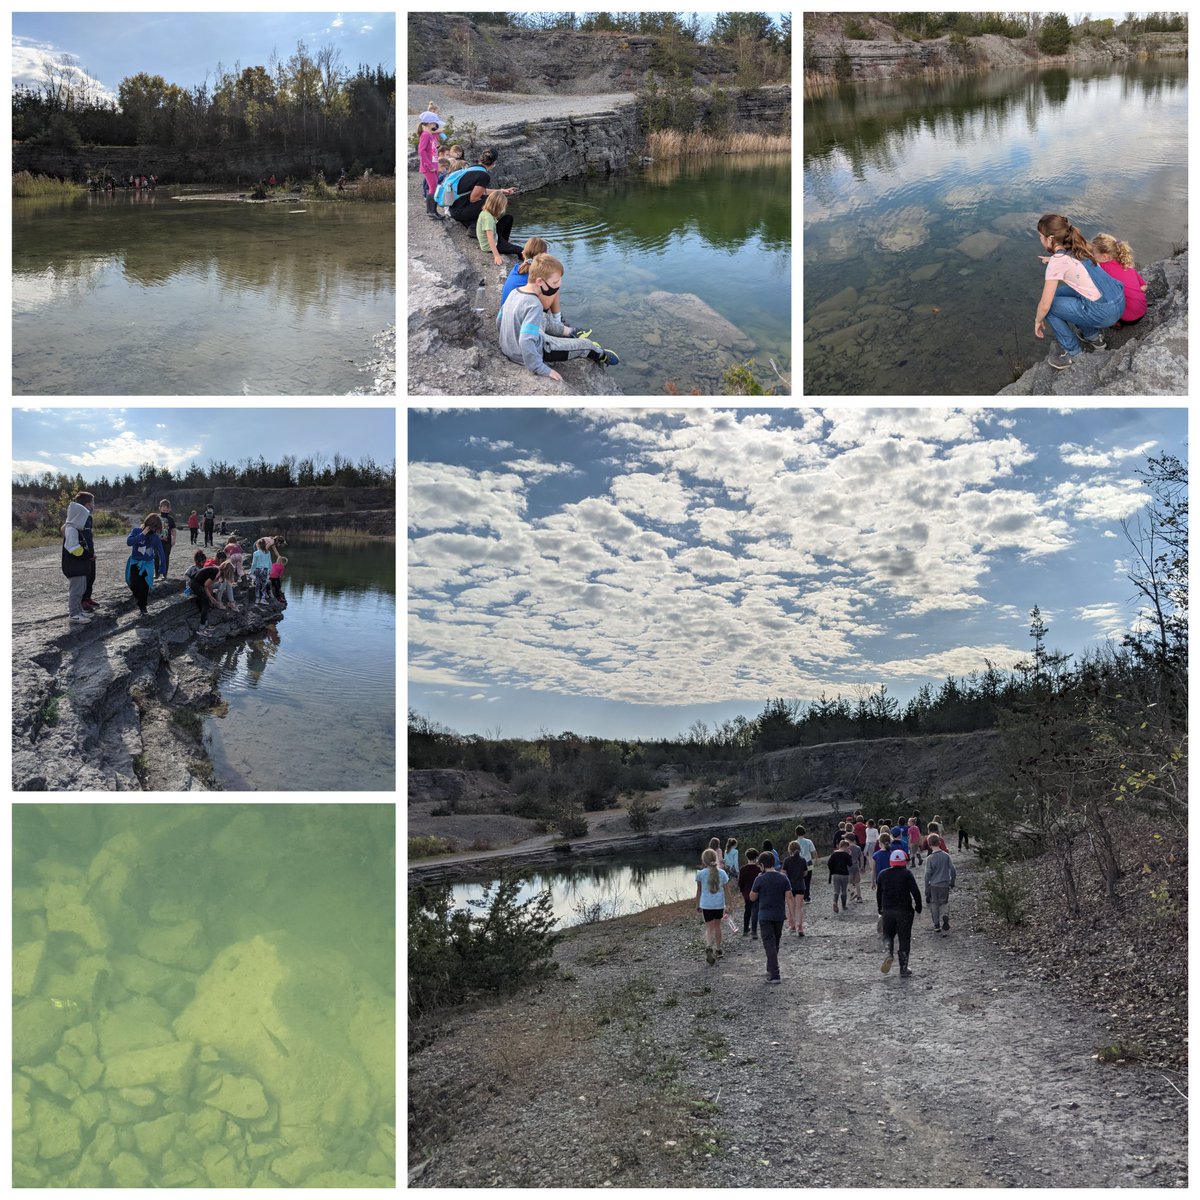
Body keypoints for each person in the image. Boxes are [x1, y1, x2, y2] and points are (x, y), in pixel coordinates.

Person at [497, 253, 619, 380]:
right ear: (539, 282)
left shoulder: (514, 292)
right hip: (536, 351)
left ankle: (571, 332)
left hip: (508, 349)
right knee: (586, 344)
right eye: (555, 282)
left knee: (543, 318)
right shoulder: (534, 305)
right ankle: (601, 354)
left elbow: (499, 320)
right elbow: (525, 340)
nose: (558, 285)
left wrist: (508, 342)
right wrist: (539, 367)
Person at [1033, 213, 1126, 370]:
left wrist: (1038, 320)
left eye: (1041, 237)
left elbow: (1044, 305)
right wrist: (1053, 260)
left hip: (1104, 313)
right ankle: (1094, 338)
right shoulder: (1079, 247)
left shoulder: (1058, 263)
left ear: (1050, 239)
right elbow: (1072, 264)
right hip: (1118, 302)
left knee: (1048, 309)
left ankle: (1073, 353)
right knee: (1061, 293)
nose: (1040, 240)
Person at [444, 148, 515, 232]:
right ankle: (474, 228)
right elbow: (473, 198)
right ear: (494, 162)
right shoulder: (483, 175)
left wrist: (501, 191)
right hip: (459, 211)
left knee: (486, 200)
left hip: (454, 207)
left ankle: (472, 223)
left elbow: (480, 191)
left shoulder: (472, 168)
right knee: (495, 201)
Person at [877, 848, 922, 978]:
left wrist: (880, 909)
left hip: (888, 911)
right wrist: (918, 906)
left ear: (891, 862)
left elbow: (879, 894)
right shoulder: (907, 874)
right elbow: (915, 891)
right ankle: (903, 968)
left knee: (887, 935)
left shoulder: (882, 874)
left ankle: (888, 954)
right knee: (904, 938)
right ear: (904, 862)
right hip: (904, 911)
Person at [749, 850, 791, 984]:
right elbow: (789, 896)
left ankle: (775, 974)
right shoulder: (783, 877)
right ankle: (770, 967)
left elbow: (752, 897)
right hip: (779, 914)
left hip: (765, 915)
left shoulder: (759, 879)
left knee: (768, 943)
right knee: (775, 942)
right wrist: (791, 916)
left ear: (761, 865)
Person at [1092, 232, 1149, 327]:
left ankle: (1114, 322)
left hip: (1126, 318)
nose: (1091, 255)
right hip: (1142, 311)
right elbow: (1144, 286)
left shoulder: (1102, 267)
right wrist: (1132, 294)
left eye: (1093, 252)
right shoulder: (1126, 265)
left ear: (1104, 256)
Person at [62, 492, 97, 625]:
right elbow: (73, 548)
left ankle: (78, 611)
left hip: (80, 566)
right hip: (74, 566)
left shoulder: (76, 528)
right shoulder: (71, 529)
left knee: (80, 588)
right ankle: (74, 614)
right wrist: (87, 555)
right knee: (76, 591)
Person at [125, 514, 166, 614]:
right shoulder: (136, 531)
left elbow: (161, 552)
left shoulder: (155, 537)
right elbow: (129, 542)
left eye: (156, 527)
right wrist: (142, 534)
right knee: (133, 584)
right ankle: (139, 600)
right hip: (135, 563)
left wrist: (163, 566)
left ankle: (143, 608)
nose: (153, 529)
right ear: (147, 523)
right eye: (152, 526)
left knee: (144, 586)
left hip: (148, 565)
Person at [695, 848, 729, 966]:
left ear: (704, 861)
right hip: (718, 904)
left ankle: (709, 946)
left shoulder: (700, 874)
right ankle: (718, 949)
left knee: (709, 928)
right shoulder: (722, 873)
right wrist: (728, 904)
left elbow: (699, 891)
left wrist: (697, 904)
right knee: (717, 926)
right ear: (715, 859)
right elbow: (727, 891)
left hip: (706, 904)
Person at [475, 190, 524, 265]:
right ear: (497, 206)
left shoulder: (487, 212)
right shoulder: (488, 218)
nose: (504, 208)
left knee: (508, 218)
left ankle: (505, 241)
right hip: (492, 244)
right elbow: (490, 238)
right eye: (503, 206)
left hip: (496, 236)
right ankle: (522, 261)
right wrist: (496, 255)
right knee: (521, 250)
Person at [924, 834, 957, 934]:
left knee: (934, 904)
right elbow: (953, 869)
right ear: (939, 843)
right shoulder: (946, 856)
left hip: (934, 884)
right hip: (944, 884)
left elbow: (927, 874)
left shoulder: (930, 858)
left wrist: (926, 886)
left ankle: (937, 925)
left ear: (929, 845)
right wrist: (952, 881)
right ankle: (945, 915)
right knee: (944, 902)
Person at [417, 117, 443, 219]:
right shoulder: (425, 135)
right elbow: (421, 151)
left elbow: (433, 149)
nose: (436, 125)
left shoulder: (430, 135)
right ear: (429, 123)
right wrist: (429, 165)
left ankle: (434, 211)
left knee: (435, 186)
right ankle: (431, 211)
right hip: (429, 167)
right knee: (433, 187)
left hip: (434, 165)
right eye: (435, 123)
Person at [190, 555, 221, 635]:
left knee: (203, 603)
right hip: (195, 584)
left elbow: (207, 584)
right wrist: (210, 597)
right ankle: (201, 628)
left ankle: (205, 624)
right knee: (206, 604)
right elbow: (206, 585)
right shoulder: (215, 572)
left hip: (197, 583)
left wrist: (210, 597)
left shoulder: (216, 570)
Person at [782, 841, 808, 936]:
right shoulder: (803, 860)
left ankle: (792, 925)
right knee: (799, 907)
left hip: (789, 886)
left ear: (790, 850)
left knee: (791, 906)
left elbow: (783, 873)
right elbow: (805, 873)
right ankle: (800, 927)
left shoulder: (787, 861)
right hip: (800, 885)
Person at [738, 848, 761, 939]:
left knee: (747, 910)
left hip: (747, 893)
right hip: (756, 893)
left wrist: (742, 891)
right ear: (756, 857)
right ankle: (754, 931)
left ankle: (745, 929)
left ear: (747, 857)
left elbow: (741, 882)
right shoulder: (758, 869)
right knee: (755, 911)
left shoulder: (743, 869)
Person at [794, 824, 818, 908]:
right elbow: (814, 852)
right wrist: (815, 860)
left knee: (799, 880)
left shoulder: (794, 843)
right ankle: (806, 897)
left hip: (798, 863)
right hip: (808, 862)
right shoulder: (808, 841)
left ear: (796, 833)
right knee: (807, 880)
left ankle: (799, 895)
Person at [827, 838, 852, 914]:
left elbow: (829, 863)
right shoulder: (846, 854)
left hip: (836, 874)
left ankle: (835, 902)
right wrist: (849, 855)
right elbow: (850, 864)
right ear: (845, 846)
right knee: (844, 890)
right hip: (844, 874)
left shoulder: (834, 854)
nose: (848, 849)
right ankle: (844, 905)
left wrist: (832, 870)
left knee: (836, 890)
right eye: (848, 847)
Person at [156, 500, 177, 579]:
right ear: (160, 508)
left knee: (165, 557)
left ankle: (164, 574)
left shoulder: (170, 519)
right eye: (163, 509)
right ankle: (157, 573)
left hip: (167, 542)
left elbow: (174, 530)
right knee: (156, 557)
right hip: (157, 542)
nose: (165, 511)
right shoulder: (156, 517)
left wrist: (174, 539)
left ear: (169, 509)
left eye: (166, 509)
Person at [250, 538, 273, 607]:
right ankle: (262, 599)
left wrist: (251, 571)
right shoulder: (268, 552)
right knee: (264, 584)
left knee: (257, 584)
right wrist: (270, 571)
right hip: (265, 570)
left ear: (258, 545)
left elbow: (253, 564)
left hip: (257, 570)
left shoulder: (256, 553)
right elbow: (270, 563)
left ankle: (257, 598)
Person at [847, 836, 866, 903]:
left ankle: (852, 892)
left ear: (848, 840)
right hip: (856, 866)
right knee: (857, 882)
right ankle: (859, 897)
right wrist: (862, 866)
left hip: (848, 867)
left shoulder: (846, 848)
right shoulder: (858, 848)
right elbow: (861, 857)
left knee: (848, 882)